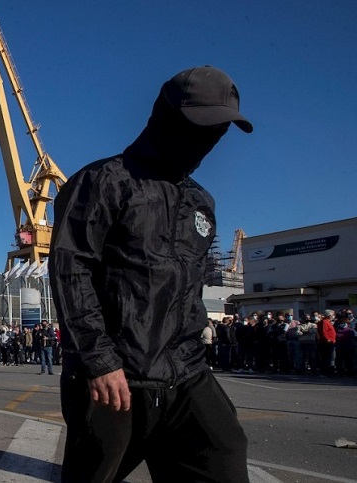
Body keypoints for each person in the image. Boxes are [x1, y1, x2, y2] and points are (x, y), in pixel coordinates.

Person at [49, 65, 252, 482]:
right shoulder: (102, 181)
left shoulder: (201, 203)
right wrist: (98, 360)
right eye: (205, 126)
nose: (213, 140)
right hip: (115, 380)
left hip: (186, 373)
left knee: (225, 447)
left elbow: (188, 292)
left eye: (221, 130)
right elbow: (71, 270)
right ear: (167, 117)